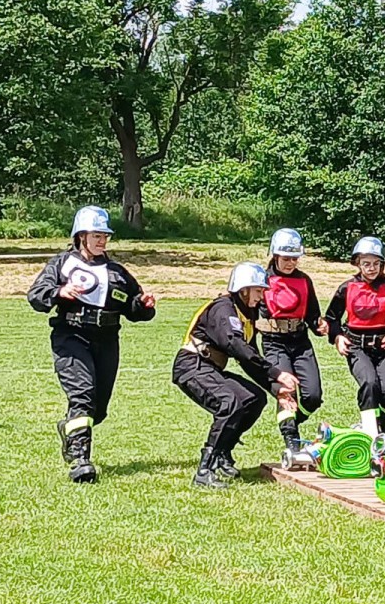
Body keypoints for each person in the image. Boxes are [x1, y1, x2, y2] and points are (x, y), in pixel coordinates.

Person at [27, 206, 156, 483]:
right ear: (81, 236)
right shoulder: (62, 264)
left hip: (107, 341)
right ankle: (80, 460)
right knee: (82, 396)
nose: (102, 241)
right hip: (71, 336)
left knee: (98, 409)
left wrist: (143, 305)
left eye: (105, 236)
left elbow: (134, 308)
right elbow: (36, 296)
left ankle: (70, 428)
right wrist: (59, 292)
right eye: (96, 235)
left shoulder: (117, 272)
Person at [173, 262, 300, 489]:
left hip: (209, 368)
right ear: (243, 289)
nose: (261, 296)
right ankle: (204, 470)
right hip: (191, 366)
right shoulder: (224, 309)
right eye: (258, 290)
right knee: (230, 403)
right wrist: (277, 373)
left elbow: (249, 358)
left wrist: (276, 389)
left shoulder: (247, 313)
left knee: (253, 399)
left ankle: (222, 454)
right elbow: (235, 345)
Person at [323, 236, 385, 438]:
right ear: (357, 264)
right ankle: (371, 432)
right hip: (357, 347)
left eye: (375, 264)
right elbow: (332, 318)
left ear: (382, 264)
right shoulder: (346, 288)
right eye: (366, 264)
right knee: (370, 384)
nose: (371, 268)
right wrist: (338, 337)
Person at [257, 228, 327, 456]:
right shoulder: (262, 279)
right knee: (287, 390)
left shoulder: (304, 280)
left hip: (300, 341)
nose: (291, 263)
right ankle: (291, 437)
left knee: (313, 395)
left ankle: (292, 421)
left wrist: (320, 326)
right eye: (286, 258)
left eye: (295, 258)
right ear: (275, 255)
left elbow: (312, 314)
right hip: (273, 342)